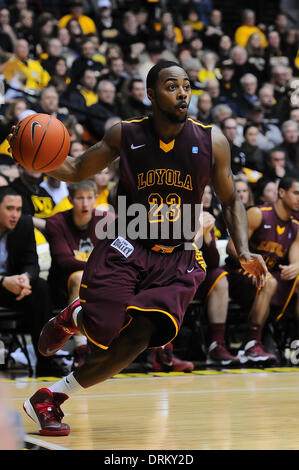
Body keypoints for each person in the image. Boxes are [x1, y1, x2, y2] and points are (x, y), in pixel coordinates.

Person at [10, 61, 267, 436]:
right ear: (150, 94)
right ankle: (77, 316)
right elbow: (77, 167)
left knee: (139, 337)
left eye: (187, 85)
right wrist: (33, 158)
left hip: (178, 255)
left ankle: (51, 398)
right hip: (127, 245)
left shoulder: (212, 141)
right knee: (103, 331)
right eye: (171, 86)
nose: (182, 92)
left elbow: (230, 202)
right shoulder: (124, 134)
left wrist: (243, 249)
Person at [225, 176, 299, 365]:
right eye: (296, 193)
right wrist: (251, 264)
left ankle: (294, 339)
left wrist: (295, 267)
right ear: (281, 193)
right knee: (270, 281)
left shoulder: (296, 227)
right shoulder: (258, 214)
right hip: (240, 273)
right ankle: (252, 343)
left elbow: (295, 260)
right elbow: (232, 247)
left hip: (268, 276)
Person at [0, 186, 61, 377]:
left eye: (18, 209)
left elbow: (32, 263)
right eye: (10, 208)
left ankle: (46, 362)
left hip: (14, 286)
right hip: (3, 283)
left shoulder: (25, 224)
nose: (15, 214)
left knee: (41, 288)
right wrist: (3, 281)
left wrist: (25, 279)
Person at [46, 179, 105, 370]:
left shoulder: (106, 221)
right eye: (80, 198)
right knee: (80, 277)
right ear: (70, 199)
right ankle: (81, 350)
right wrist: (97, 265)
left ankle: (158, 350)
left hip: (100, 281)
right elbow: (64, 261)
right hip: (62, 286)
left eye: (89, 198)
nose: (85, 203)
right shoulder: (56, 222)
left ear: (96, 198)